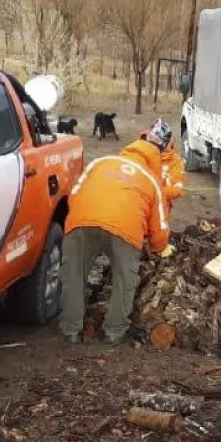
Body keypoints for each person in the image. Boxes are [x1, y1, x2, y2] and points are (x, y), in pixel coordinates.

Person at [60, 123, 174, 345]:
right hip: (126, 228)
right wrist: (160, 248)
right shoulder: (151, 179)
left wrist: (86, 216)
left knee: (73, 275)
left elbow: (74, 194)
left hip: (82, 220)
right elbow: (159, 223)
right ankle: (114, 332)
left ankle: (70, 329)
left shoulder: (101, 162)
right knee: (125, 279)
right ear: (160, 152)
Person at [140, 119, 185, 211]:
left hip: (160, 207)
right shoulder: (139, 150)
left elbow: (177, 189)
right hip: (138, 202)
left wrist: (153, 192)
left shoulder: (174, 161)